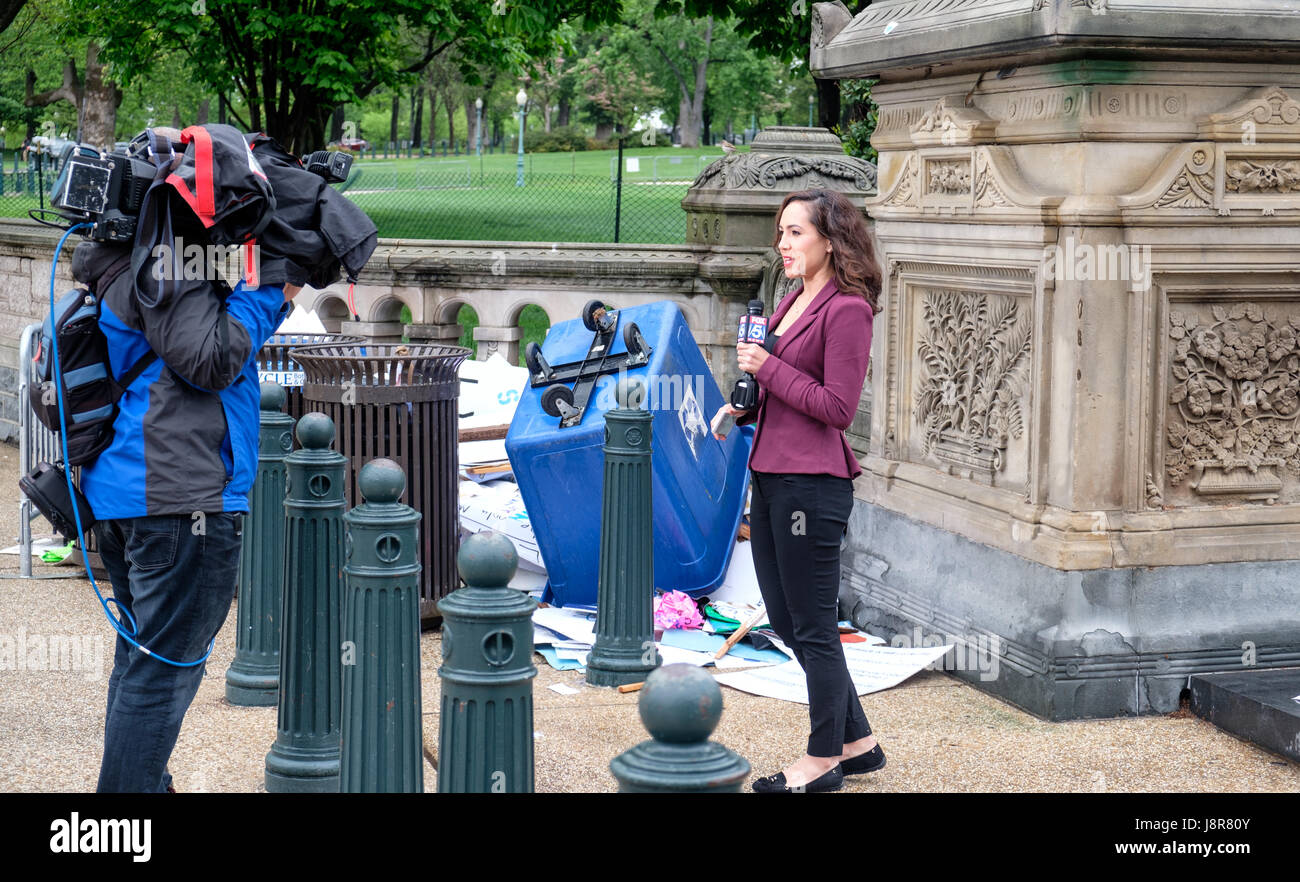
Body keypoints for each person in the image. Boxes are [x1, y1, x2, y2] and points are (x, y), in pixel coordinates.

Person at [71, 195, 297, 792]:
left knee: (142, 661)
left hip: (129, 496)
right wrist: (273, 286)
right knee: (161, 673)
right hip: (179, 500)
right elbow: (214, 359)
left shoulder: (126, 266)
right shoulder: (168, 275)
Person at [713, 188, 882, 793]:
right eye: (780, 233)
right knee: (786, 618)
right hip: (773, 472)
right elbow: (782, 387)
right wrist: (742, 407)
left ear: (831, 241)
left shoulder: (848, 309)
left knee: (812, 624)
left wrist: (767, 368)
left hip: (813, 485)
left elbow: (836, 407)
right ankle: (859, 743)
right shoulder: (790, 299)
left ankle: (822, 760)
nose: (783, 244)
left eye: (795, 233)